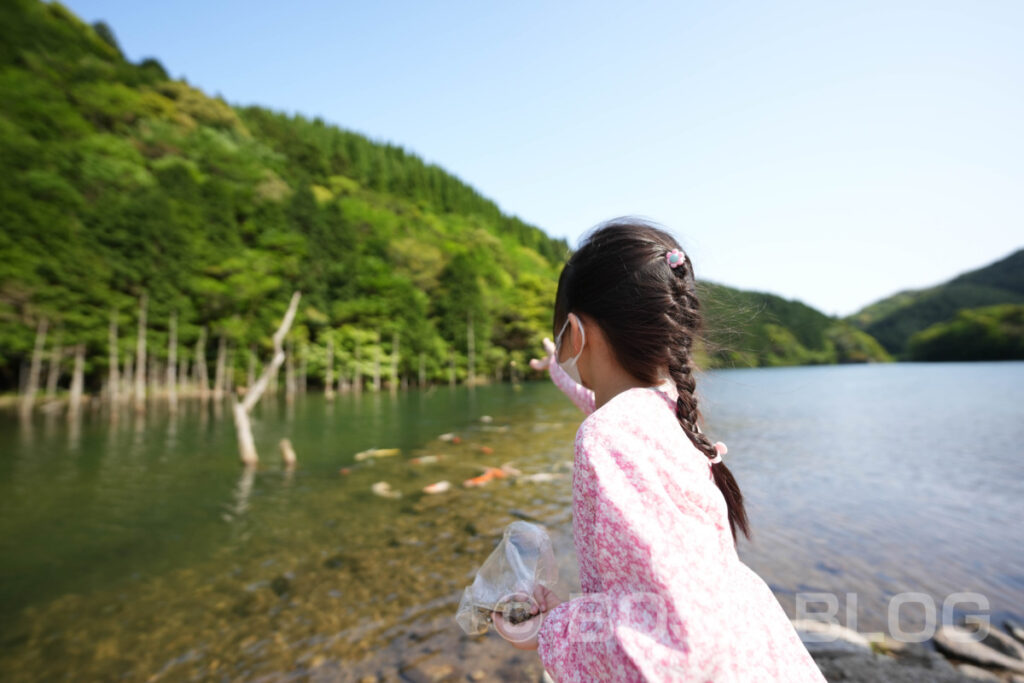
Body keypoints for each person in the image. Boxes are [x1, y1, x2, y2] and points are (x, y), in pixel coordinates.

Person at [491, 218, 826, 682]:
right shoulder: (668, 408)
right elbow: (600, 401)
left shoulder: (606, 436)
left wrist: (548, 629)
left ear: (574, 330)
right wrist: (557, 369)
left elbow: (670, 645)